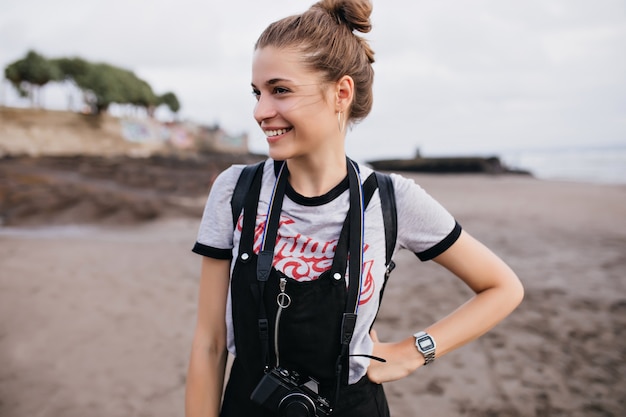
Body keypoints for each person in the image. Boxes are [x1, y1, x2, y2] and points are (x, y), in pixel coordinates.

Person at [185, 0, 524, 416]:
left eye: (280, 90)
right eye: (257, 93)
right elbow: (209, 343)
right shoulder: (236, 190)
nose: (260, 111)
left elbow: (503, 287)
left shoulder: (391, 199)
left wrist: (414, 352)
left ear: (341, 93)